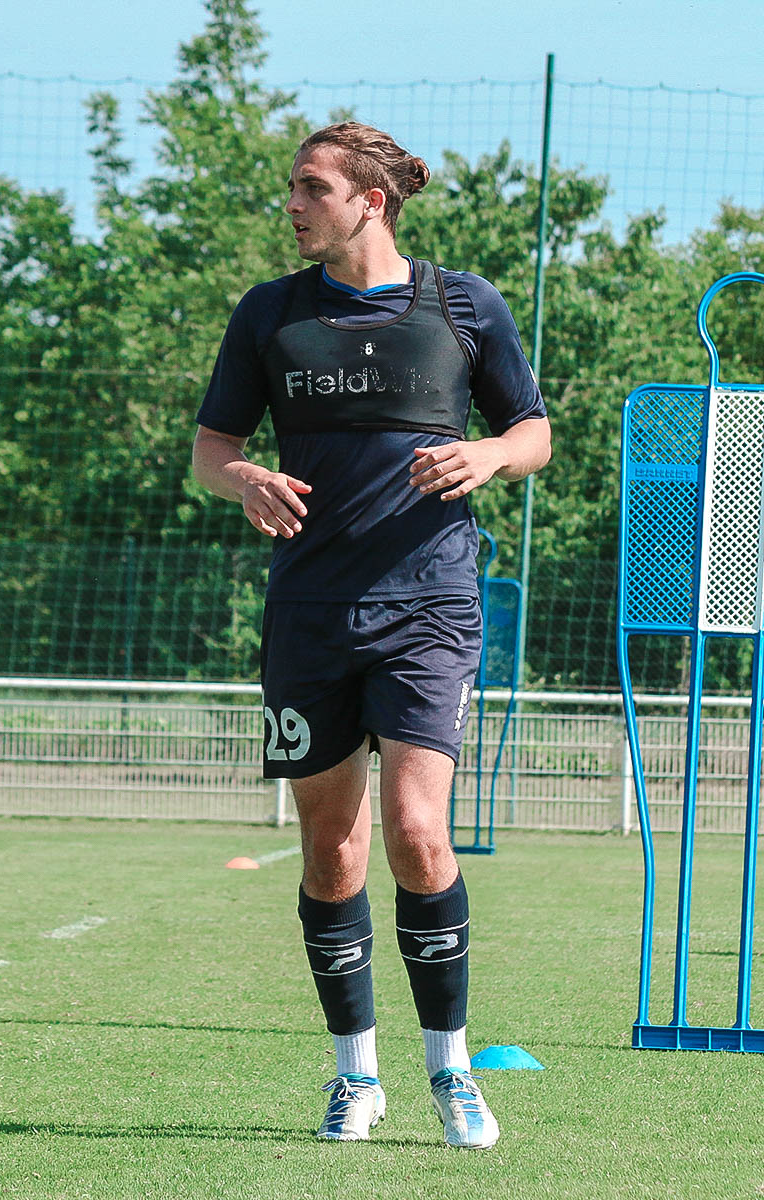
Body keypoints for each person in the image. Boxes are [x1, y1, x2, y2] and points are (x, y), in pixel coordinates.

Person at [192, 122, 551, 1148]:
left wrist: (489, 456)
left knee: (418, 831)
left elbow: (533, 431)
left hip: (429, 603)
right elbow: (211, 447)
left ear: (370, 201)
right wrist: (243, 476)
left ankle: (451, 1070)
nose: (293, 204)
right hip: (309, 612)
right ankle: (356, 1076)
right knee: (331, 847)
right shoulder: (270, 313)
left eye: (312, 187)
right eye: (293, 187)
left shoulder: (462, 304)